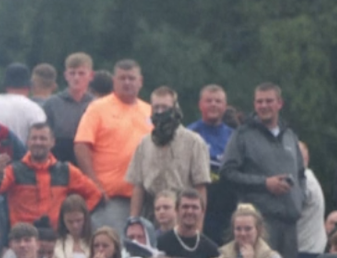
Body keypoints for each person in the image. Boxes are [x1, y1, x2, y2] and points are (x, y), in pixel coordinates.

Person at [220, 83, 304, 258]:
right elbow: (227, 173)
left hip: (289, 222)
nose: (264, 105)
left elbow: (301, 174)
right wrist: (265, 184)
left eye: (268, 101)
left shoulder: (289, 135)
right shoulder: (243, 135)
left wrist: (299, 199)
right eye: (259, 101)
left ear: (279, 103)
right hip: (261, 222)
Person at [74, 60, 153, 232]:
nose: (127, 82)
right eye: (122, 78)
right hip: (110, 198)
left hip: (145, 197)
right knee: (112, 247)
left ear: (140, 81)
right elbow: (81, 145)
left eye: (131, 78)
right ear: (114, 81)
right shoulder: (97, 108)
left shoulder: (150, 111)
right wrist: (93, 183)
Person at [0, 122, 102, 228]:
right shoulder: (13, 171)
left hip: (56, 239)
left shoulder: (66, 171)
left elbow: (95, 195)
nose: (38, 142)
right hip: (23, 239)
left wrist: (74, 219)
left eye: (43, 138)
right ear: (27, 142)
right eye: (34, 138)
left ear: (52, 142)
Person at [126, 87, 210, 220]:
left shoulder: (194, 142)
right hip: (152, 212)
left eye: (164, 107)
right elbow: (138, 186)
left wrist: (198, 226)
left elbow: (200, 187)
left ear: (175, 109)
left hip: (183, 212)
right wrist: (133, 220)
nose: (160, 112)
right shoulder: (144, 143)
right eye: (156, 108)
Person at [188, 85, 236, 242]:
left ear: (225, 105)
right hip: (197, 204)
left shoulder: (234, 136)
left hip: (226, 206)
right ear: (200, 104)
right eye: (209, 101)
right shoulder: (190, 134)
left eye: (218, 101)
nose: (213, 104)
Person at [44, 52, 95, 164]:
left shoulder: (96, 105)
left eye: (81, 73)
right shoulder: (52, 104)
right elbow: (45, 137)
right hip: (58, 163)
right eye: (72, 73)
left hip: (89, 161)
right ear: (66, 75)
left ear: (91, 76)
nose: (76, 78)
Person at [158, 189, 222, 258]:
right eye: (185, 207)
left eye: (195, 207)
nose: (190, 211)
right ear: (176, 210)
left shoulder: (212, 250)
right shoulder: (160, 244)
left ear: (202, 212)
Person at [0, 62, 48, 145]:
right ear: (29, 87)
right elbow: (42, 138)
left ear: (5, 86)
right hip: (23, 156)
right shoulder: (34, 109)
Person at [53, 194, 94, 258]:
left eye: (79, 220)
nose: (75, 225)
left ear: (85, 219)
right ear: (63, 220)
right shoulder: (56, 243)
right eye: (70, 221)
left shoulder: (95, 242)